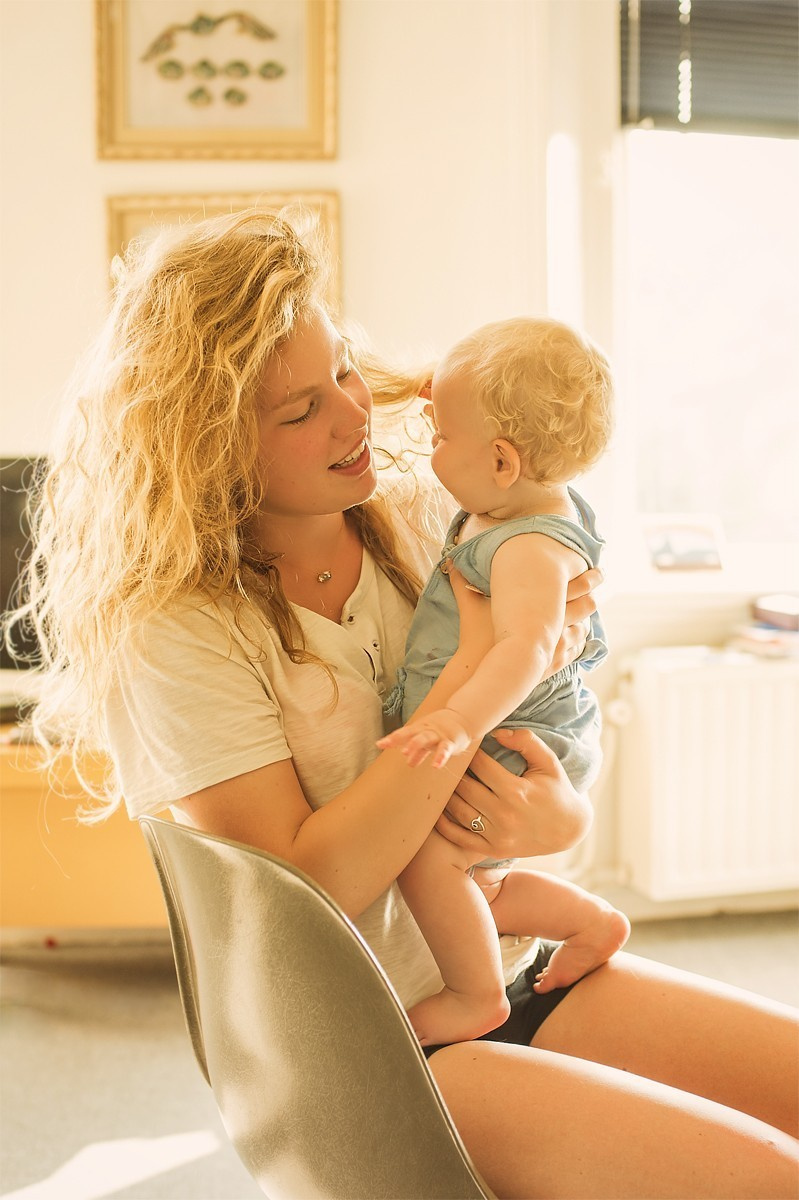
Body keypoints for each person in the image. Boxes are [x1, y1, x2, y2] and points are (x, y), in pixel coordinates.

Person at [9, 209, 798, 1200]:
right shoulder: (174, 627)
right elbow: (311, 892)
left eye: (343, 369)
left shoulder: (431, 513)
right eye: (299, 411)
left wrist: (559, 816)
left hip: (506, 957)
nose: (352, 418)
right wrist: (474, 666)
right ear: (206, 447)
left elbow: (540, 723)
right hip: (374, 1037)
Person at [376, 317, 630, 1048]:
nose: (431, 446)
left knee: (430, 858)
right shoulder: (517, 501)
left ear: (500, 459)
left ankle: (473, 995)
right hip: (513, 721)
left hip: (518, 726)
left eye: (439, 435)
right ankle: (586, 920)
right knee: (472, 877)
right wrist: (450, 396)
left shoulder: (524, 546)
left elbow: (526, 646)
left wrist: (458, 721)